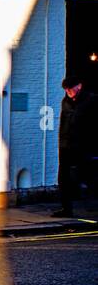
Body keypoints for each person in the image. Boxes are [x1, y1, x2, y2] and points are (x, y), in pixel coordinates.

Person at [56, 75, 95, 217]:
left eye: (70, 89)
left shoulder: (91, 100)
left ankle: (91, 207)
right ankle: (66, 209)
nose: (68, 92)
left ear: (79, 86)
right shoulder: (65, 102)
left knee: (87, 177)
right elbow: (63, 124)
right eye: (66, 90)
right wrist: (61, 142)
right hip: (66, 146)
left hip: (84, 146)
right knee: (63, 178)